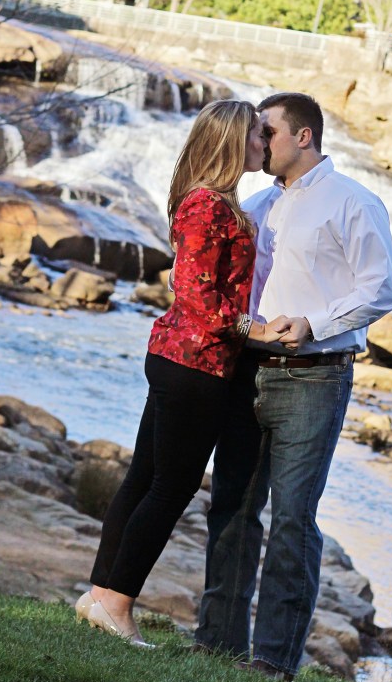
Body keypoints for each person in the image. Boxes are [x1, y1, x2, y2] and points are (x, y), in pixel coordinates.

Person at [195, 92, 392, 679]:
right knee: (232, 506)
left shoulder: (354, 202)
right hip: (246, 372)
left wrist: (315, 323)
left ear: (303, 136)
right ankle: (216, 643)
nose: (257, 142)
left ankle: (273, 661)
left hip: (315, 377)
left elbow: (381, 288)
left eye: (268, 131)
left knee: (291, 517)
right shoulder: (255, 205)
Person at [76, 99, 289, 646]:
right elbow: (194, 293)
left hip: (180, 358)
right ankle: (118, 603)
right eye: (257, 134)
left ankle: (100, 596)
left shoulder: (211, 201)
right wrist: (254, 328)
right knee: (170, 488)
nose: (264, 144)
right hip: (195, 362)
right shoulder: (208, 205)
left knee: (144, 479)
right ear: (232, 141)